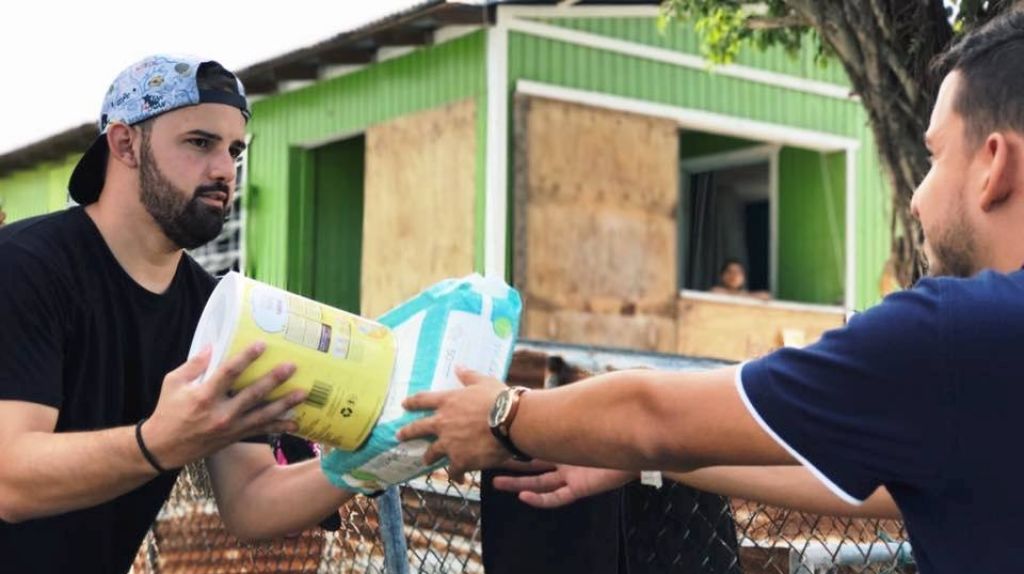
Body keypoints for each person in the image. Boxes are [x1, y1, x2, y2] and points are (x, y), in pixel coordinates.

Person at [397, 9, 1024, 573]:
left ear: (993, 164)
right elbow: (881, 485)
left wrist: (505, 417)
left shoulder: (954, 335)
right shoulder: (969, 384)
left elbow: (653, 414)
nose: (915, 197)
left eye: (935, 158)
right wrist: (650, 459)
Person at [0, 55, 360, 574]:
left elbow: (252, 500)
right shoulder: (25, 266)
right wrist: (158, 442)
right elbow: (10, 479)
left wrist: (368, 464)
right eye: (199, 142)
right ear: (125, 144)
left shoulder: (220, 312)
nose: (224, 169)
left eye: (235, 150)